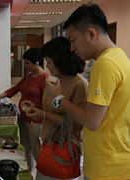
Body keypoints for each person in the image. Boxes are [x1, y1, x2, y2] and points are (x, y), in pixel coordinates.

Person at [45, 4, 130, 180]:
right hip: (114, 159)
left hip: (107, 166)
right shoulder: (120, 57)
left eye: (73, 40)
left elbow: (91, 121)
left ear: (91, 34)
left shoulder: (105, 64)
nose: (72, 48)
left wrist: (58, 98)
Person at [23, 37, 88, 180]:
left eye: (50, 62)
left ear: (61, 61)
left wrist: (43, 115)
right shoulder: (57, 80)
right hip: (48, 144)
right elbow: (55, 108)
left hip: (65, 149)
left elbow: (76, 123)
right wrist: (37, 107)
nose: (47, 66)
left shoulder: (79, 84)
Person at [0, 48, 49, 179]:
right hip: (23, 118)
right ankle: (29, 173)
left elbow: (48, 103)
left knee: (37, 151)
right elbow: (13, 90)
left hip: (35, 121)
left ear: (36, 62)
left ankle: (43, 175)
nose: (25, 66)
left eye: (27, 63)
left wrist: (34, 106)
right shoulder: (28, 76)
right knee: (26, 149)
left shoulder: (45, 78)